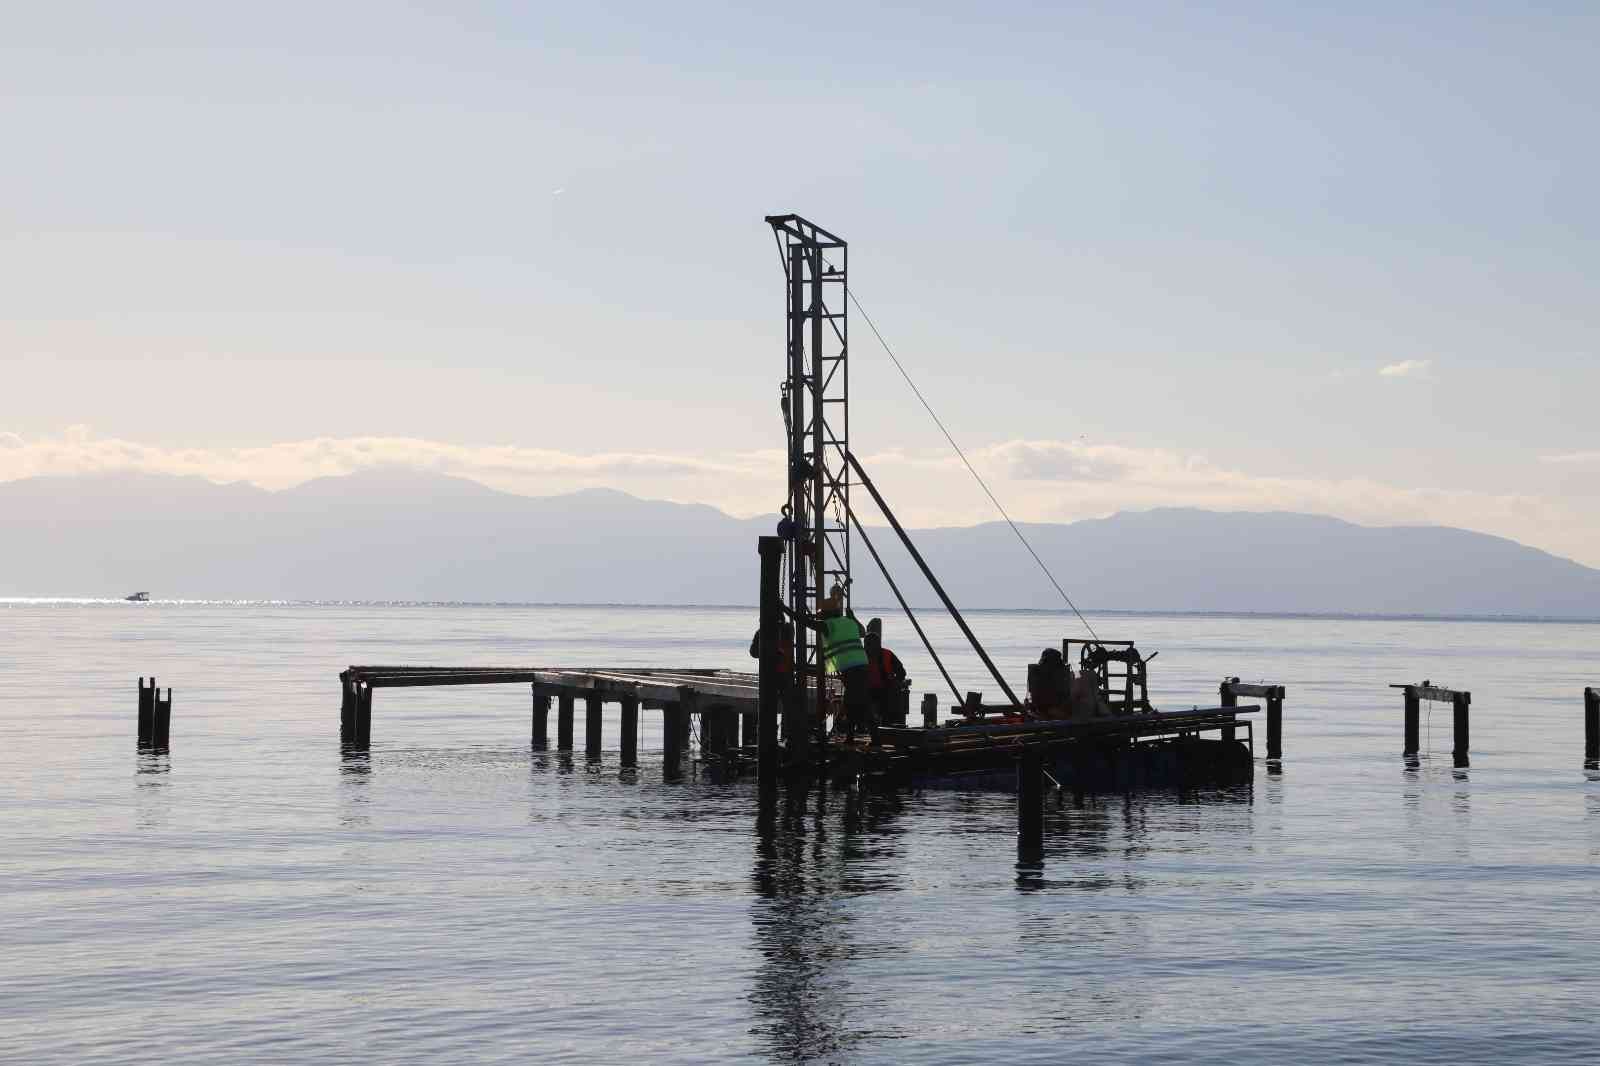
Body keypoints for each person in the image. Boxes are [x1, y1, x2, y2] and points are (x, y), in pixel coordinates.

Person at [782, 585, 871, 740]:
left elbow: (804, 621)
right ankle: (856, 736)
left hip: (852, 668)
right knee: (858, 700)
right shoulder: (849, 622)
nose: (820, 617)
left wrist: (784, 609)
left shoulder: (828, 625)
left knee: (853, 702)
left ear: (828, 614)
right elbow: (863, 632)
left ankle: (854, 737)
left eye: (822, 614)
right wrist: (853, 617)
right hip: (862, 665)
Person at [863, 618, 908, 727]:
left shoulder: (887, 654)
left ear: (878, 644)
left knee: (888, 713)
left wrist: (896, 683)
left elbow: (901, 672)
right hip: (867, 690)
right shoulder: (861, 656)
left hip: (886, 689)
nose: (868, 647)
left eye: (870, 644)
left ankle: (885, 730)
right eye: (867, 644)